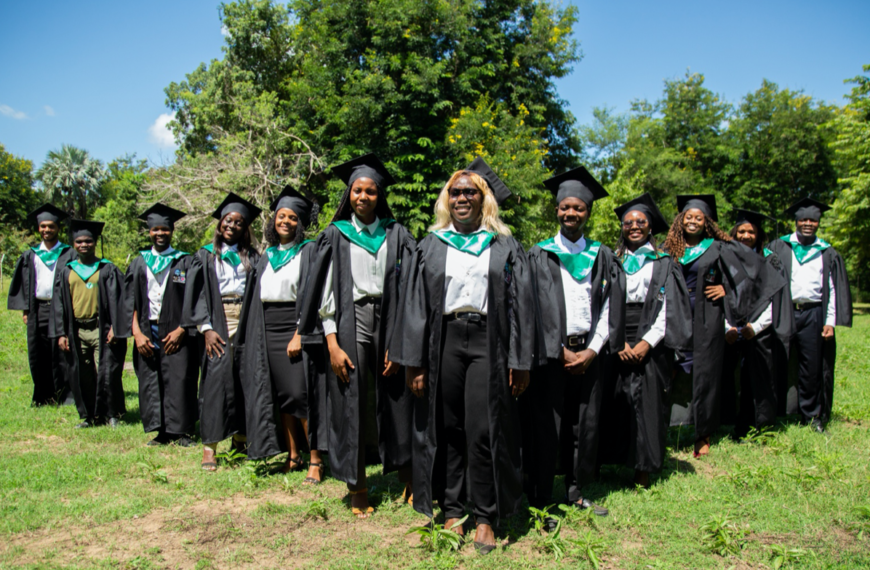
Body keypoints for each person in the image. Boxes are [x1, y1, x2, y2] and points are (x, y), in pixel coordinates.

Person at [391, 158, 532, 553]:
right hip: (445, 339)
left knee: (483, 427)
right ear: (446, 199)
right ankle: (453, 511)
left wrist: (519, 361)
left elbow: (520, 305)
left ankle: (485, 516)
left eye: (470, 191)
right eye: (455, 192)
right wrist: (415, 362)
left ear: (483, 198)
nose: (462, 198)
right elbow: (415, 306)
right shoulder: (431, 245)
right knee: (448, 426)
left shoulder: (504, 245)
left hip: (489, 340)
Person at [297, 154, 415, 518]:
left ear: (380, 196)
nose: (363, 196)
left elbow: (411, 289)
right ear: (348, 194)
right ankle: (357, 484)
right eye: (357, 190)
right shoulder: (335, 234)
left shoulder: (398, 234)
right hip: (351, 319)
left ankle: (409, 475)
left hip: (392, 317)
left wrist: (401, 341)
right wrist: (331, 342)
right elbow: (326, 295)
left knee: (398, 396)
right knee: (352, 398)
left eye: (370, 191)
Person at [663, 196, 783, 457]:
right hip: (673, 313)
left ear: (707, 222)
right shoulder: (668, 248)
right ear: (680, 219)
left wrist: (727, 289)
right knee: (668, 370)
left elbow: (752, 271)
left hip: (708, 313)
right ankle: (661, 428)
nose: (693, 221)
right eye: (688, 216)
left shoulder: (718, 247)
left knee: (706, 373)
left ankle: (702, 434)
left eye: (699, 217)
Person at [524, 166, 614, 518]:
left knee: (582, 424)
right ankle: (542, 498)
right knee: (549, 427)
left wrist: (592, 349)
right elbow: (530, 306)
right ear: (556, 210)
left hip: (589, 353)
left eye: (578, 208)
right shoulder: (539, 254)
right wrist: (556, 348)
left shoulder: (602, 255)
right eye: (565, 208)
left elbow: (611, 306)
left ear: (588, 212)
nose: (571, 213)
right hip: (552, 356)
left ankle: (575, 491)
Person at [237, 186, 327, 485]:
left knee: (299, 394)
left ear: (300, 223)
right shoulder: (267, 256)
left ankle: (315, 458)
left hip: (293, 324)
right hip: (267, 326)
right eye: (280, 216)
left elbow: (314, 294)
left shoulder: (309, 250)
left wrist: (300, 332)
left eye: (292, 218)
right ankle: (293, 455)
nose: (285, 221)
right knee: (281, 397)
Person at [601, 194, 692, 488]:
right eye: (628, 223)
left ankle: (643, 468)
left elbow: (671, 308)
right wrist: (618, 342)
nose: (634, 226)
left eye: (641, 222)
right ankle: (614, 460)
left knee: (649, 403)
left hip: (652, 337)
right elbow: (601, 302)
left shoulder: (665, 262)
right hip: (616, 333)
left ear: (650, 227)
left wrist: (647, 342)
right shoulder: (612, 261)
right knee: (616, 398)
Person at [183, 193, 261, 470]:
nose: (232, 225)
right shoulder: (204, 255)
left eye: (239, 223)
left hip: (246, 317)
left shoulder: (252, 256)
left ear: (245, 228)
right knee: (215, 381)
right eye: (228, 220)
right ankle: (210, 446)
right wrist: (206, 328)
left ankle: (240, 441)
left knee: (243, 378)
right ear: (220, 223)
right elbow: (196, 295)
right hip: (217, 319)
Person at [767, 198, 852, 433]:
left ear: (818, 223)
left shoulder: (826, 252)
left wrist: (830, 321)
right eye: (803, 219)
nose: (808, 223)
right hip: (783, 312)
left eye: (812, 220)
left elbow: (832, 290)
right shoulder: (778, 247)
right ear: (795, 221)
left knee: (811, 367)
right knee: (776, 363)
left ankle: (811, 415)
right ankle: (771, 414)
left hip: (814, 313)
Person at [124, 204, 198, 447]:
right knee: (151, 378)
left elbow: (193, 298)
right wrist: (137, 333)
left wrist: (182, 329)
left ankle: (182, 431)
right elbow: (129, 301)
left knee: (179, 378)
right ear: (149, 232)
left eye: (164, 229)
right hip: (147, 329)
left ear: (172, 231)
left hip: (177, 330)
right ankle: (162, 431)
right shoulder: (138, 263)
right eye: (155, 229)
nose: (160, 233)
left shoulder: (185, 261)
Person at [719, 209, 791, 439]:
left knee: (758, 376)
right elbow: (714, 295)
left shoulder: (770, 260)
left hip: (759, 329)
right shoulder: (724, 257)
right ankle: (726, 423)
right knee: (726, 375)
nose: (746, 235)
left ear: (758, 234)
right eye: (741, 231)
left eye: (751, 231)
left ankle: (759, 425)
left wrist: (756, 327)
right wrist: (725, 326)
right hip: (730, 326)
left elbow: (775, 298)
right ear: (735, 232)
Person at [49, 219, 128, 428]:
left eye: (88, 241)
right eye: (79, 242)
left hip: (100, 329)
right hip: (76, 330)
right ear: (74, 244)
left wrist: (116, 327)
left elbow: (120, 301)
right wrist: (61, 333)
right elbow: (57, 304)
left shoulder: (107, 269)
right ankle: (89, 416)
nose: (84, 245)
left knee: (107, 372)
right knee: (81, 374)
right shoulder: (67, 271)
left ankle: (112, 414)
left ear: (95, 242)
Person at [7, 204, 76, 406]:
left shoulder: (68, 254)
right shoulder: (31, 255)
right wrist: (26, 309)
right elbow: (24, 283)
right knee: (39, 351)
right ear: (39, 228)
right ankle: (42, 396)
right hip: (37, 308)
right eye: (43, 226)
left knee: (62, 350)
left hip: (61, 308)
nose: (47, 230)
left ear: (57, 228)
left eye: (51, 226)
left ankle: (65, 395)